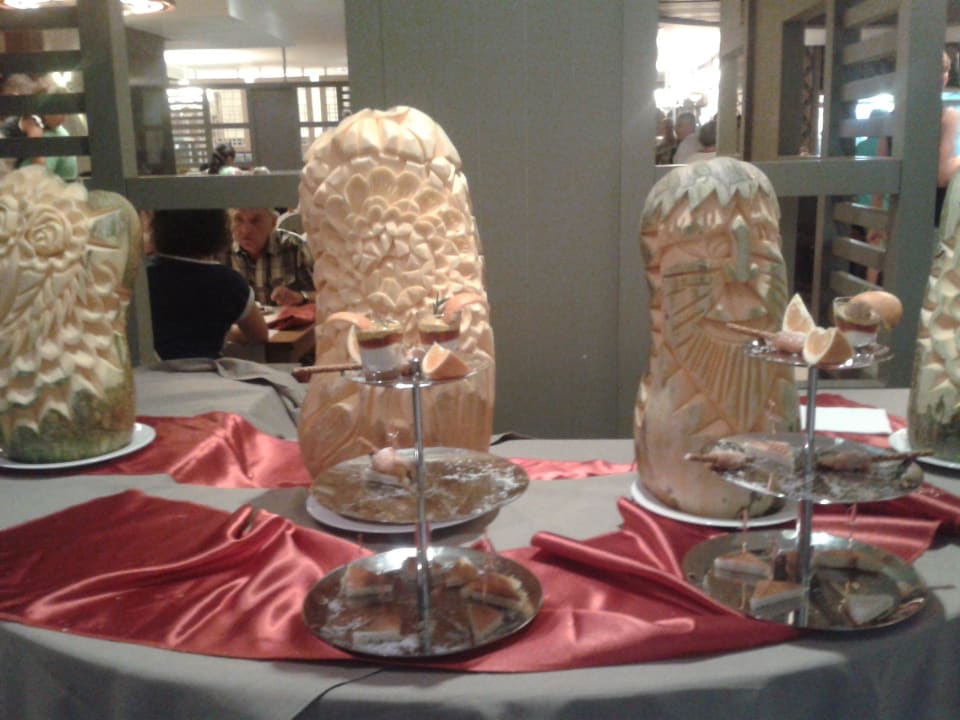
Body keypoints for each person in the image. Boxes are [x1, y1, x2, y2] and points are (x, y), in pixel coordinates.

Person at [147, 208, 268, 360]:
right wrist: (226, 331)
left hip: (150, 370)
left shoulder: (142, 277)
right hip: (206, 369)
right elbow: (259, 335)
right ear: (219, 232)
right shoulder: (229, 282)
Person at [227, 206, 316, 306]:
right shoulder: (223, 250)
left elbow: (324, 294)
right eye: (238, 220)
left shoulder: (294, 247)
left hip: (288, 315)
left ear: (273, 223)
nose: (245, 230)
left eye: (256, 221)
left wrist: (301, 297)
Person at [937, 50, 960, 227]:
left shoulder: (895, 115)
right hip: (933, 210)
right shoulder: (947, 115)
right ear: (944, 78)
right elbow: (942, 176)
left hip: (898, 211)